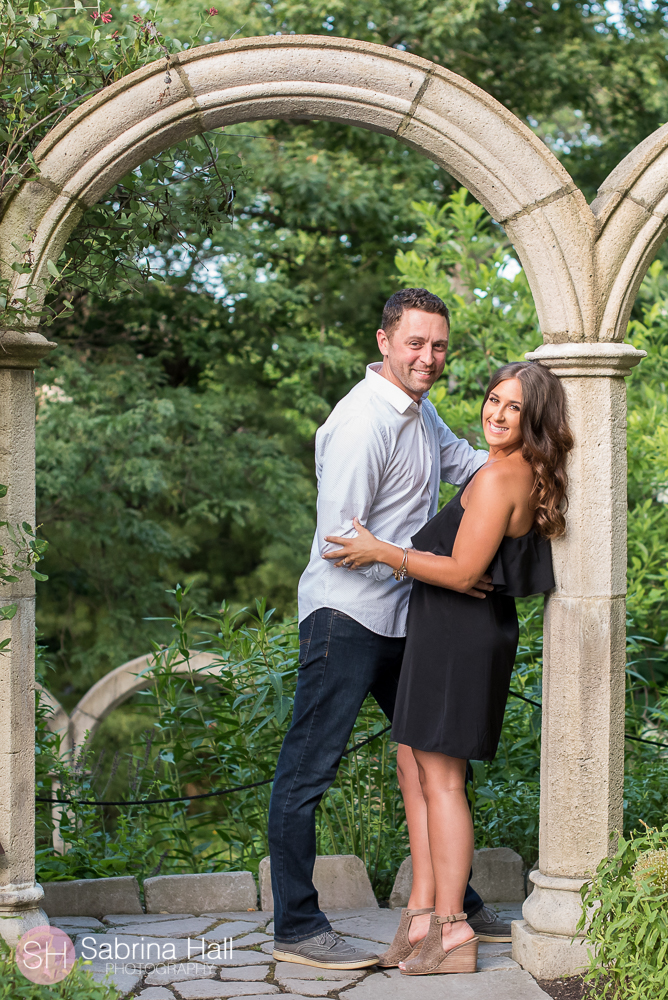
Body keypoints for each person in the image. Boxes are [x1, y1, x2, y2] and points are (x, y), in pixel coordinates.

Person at [268, 287, 512, 972]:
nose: (428, 357)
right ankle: (296, 925)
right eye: (415, 343)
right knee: (307, 774)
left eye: (438, 345)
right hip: (345, 619)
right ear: (384, 342)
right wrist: (440, 571)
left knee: (434, 757)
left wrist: (529, 465)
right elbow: (342, 541)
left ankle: (453, 904)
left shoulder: (421, 413)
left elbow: (470, 468)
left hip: (406, 618)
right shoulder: (362, 423)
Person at [324, 360, 573, 976]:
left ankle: (453, 931)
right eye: (494, 399)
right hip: (444, 633)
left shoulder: (499, 479)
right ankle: (419, 916)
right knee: (413, 767)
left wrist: (383, 552)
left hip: (461, 639)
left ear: (534, 417)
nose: (497, 412)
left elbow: (465, 571)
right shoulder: (511, 471)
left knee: (441, 782)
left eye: (514, 406)